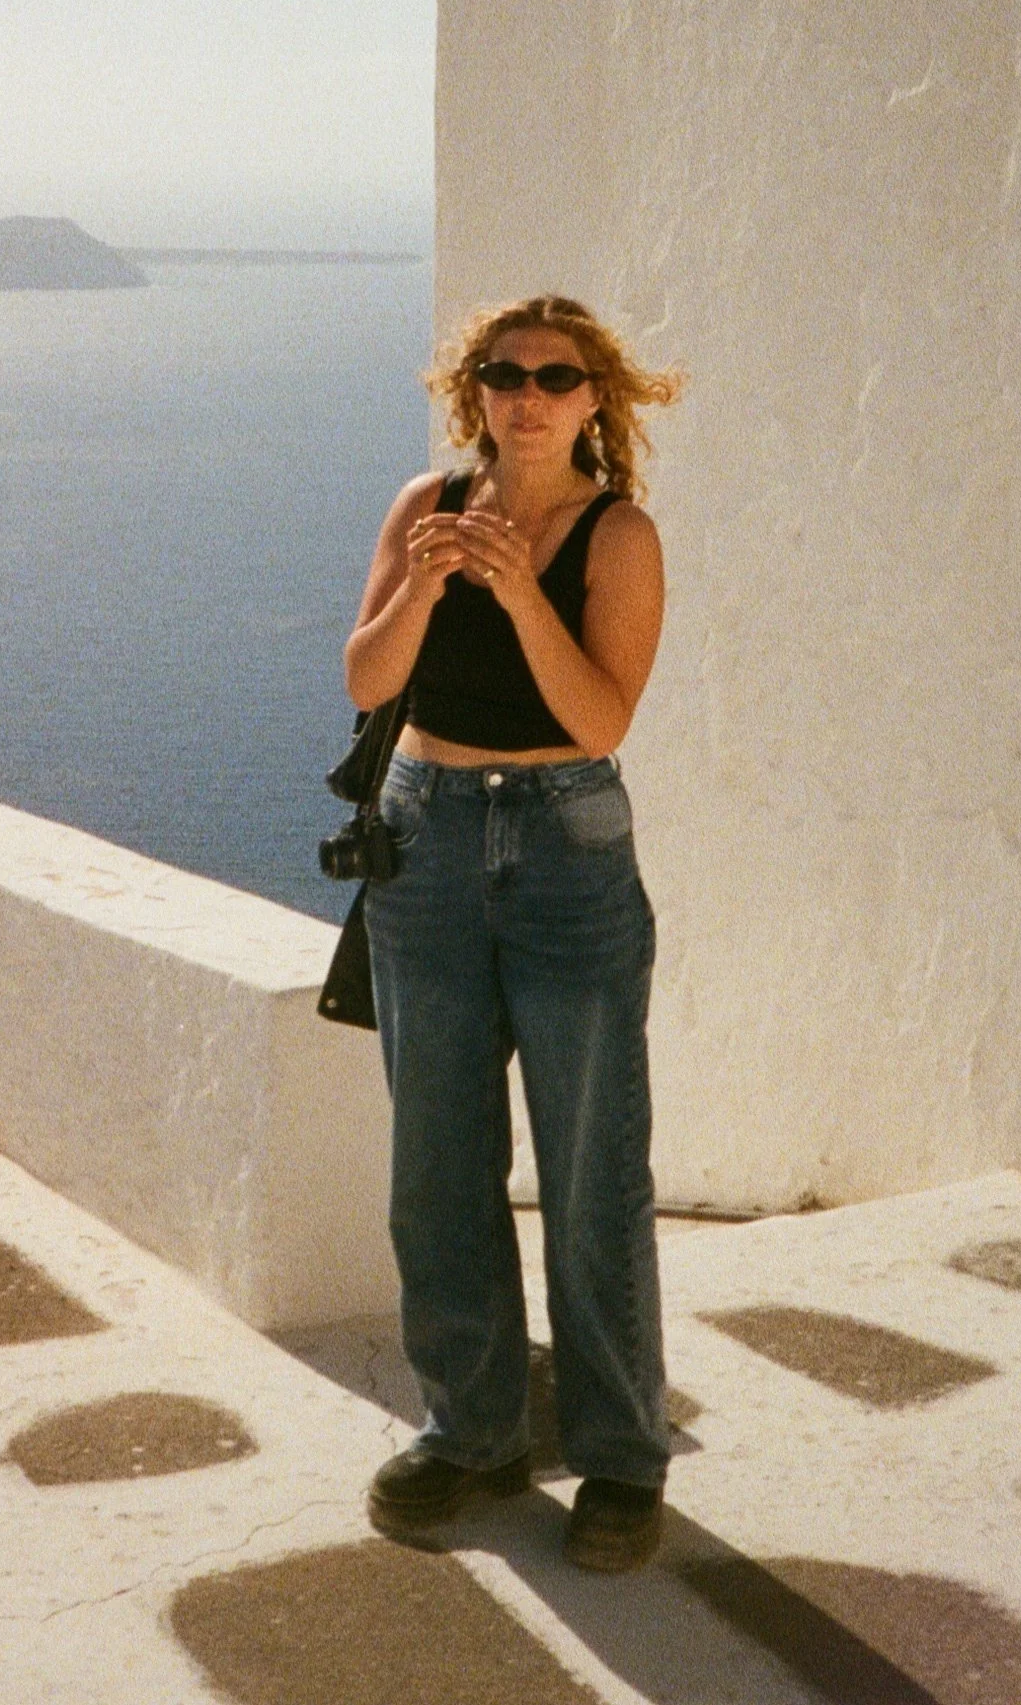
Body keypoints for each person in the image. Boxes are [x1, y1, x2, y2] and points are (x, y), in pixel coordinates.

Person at [345, 293, 683, 1570]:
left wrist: (516, 589)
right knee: (434, 1164)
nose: (527, 395)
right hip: (425, 832)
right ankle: (468, 1429)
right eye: (504, 372)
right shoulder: (419, 506)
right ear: (471, 389)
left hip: (564, 842)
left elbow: (598, 717)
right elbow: (367, 680)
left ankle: (617, 1457)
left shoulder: (619, 533)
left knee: (592, 1168)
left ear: (597, 400)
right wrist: (433, 582)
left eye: (556, 375)